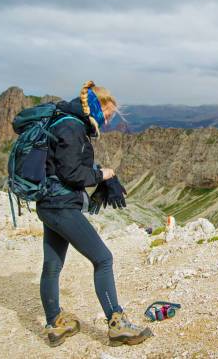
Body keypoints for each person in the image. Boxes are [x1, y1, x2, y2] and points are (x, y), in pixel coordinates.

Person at [36, 80, 153, 347]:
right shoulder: (72, 126)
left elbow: (64, 165)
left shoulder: (65, 122)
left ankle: (55, 324)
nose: (109, 121)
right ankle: (117, 325)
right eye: (109, 114)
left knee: (52, 266)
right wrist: (103, 174)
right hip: (61, 206)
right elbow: (72, 173)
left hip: (48, 204)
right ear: (98, 108)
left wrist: (96, 174)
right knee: (103, 259)